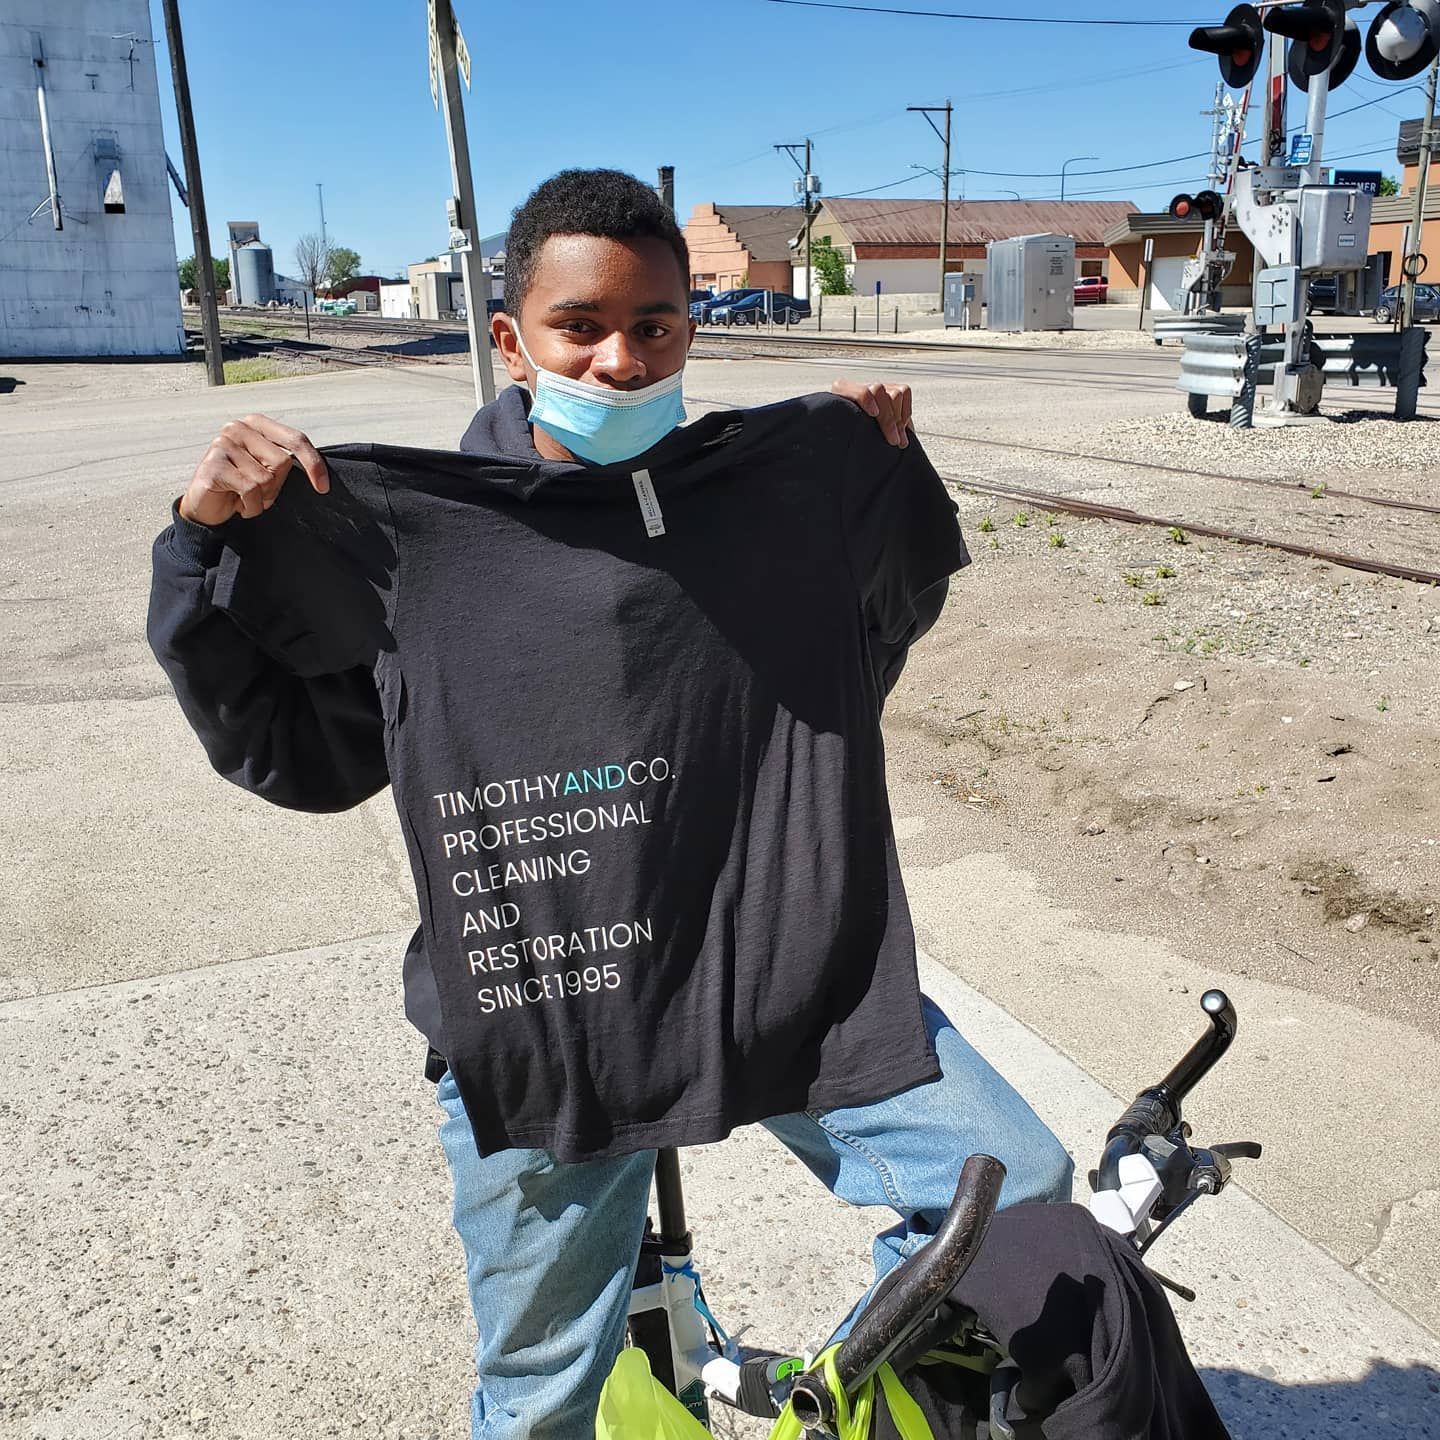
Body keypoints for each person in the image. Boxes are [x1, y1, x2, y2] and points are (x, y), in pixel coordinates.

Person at [148, 168, 1072, 1440]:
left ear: (694, 329)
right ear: (513, 340)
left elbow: (854, 664)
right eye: (583, 326)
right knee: (539, 1401)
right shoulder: (406, 537)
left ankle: (857, 1399)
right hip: (551, 1007)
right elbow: (303, 760)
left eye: (655, 326)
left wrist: (880, 489)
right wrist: (201, 549)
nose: (623, 361)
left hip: (777, 967)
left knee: (1017, 1198)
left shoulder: (760, 498)